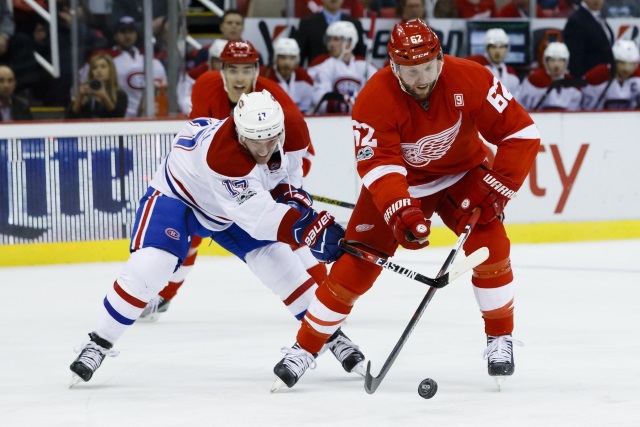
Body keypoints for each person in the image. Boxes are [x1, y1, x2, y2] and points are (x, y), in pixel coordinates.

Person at [272, 19, 540, 391]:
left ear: (441, 60)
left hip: (463, 172)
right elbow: (379, 164)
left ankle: (500, 338)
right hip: (402, 183)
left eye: (428, 68)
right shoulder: (373, 97)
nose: (420, 79)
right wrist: (402, 210)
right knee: (356, 265)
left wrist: (501, 184)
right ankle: (305, 347)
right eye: (410, 71)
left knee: (491, 245)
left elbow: (521, 132)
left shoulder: (471, 78)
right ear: (394, 66)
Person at [69, 90, 365, 386]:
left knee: (283, 267)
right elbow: (261, 218)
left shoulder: (293, 131)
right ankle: (98, 342)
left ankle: (330, 336)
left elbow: (286, 182)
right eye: (254, 140)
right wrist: (310, 229)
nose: (263, 149)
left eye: (270, 138)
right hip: (181, 197)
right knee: (151, 266)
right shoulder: (223, 156)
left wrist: (296, 203)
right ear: (238, 132)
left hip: (230, 207)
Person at [141, 42, 324, 336]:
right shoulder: (206, 86)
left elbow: (296, 149)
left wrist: (274, 187)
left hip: (282, 162)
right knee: (195, 220)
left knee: (286, 225)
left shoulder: (271, 96)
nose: (240, 78)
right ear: (220, 70)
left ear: (257, 71)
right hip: (231, 168)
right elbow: (206, 143)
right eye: (233, 69)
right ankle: (164, 297)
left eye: (247, 69)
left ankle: (324, 294)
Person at [85, 16, 167, 118]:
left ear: (136, 34)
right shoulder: (106, 60)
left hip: (148, 118)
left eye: (131, 31)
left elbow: (162, 89)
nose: (127, 36)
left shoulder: (152, 61)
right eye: (123, 31)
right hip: (120, 117)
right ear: (115, 36)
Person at [307, 21, 377, 114]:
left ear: (349, 42)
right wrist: (347, 105)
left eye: (336, 39)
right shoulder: (323, 65)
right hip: (331, 122)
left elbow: (379, 95)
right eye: (329, 39)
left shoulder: (366, 66)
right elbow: (320, 100)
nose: (331, 44)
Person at [294, 0, 366, 67]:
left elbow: (360, 56)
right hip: (317, 75)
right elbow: (300, 57)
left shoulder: (355, 24)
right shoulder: (307, 24)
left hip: (347, 76)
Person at [516, 42, 582, 111]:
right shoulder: (533, 81)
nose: (556, 65)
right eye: (552, 60)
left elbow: (575, 112)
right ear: (546, 61)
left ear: (566, 62)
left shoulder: (573, 84)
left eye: (560, 60)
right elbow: (522, 106)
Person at [260, 38, 316, 114]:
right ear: (276, 59)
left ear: (297, 60)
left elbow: (309, 109)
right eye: (283, 58)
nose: (287, 62)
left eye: (291, 58)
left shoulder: (304, 78)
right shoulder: (264, 75)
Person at [581, 39, 640, 110]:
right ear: (613, 61)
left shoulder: (637, 78)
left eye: (632, 64)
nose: (627, 69)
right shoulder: (598, 76)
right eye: (622, 63)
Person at [66, 54, 128, 119]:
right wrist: (80, 97)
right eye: (94, 68)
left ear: (111, 70)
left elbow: (118, 118)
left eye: (103, 67)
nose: (98, 71)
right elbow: (70, 117)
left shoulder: (120, 94)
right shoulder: (86, 93)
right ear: (91, 72)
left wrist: (105, 97)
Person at [563, 0, 614, 78]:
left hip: (605, 79)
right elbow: (574, 60)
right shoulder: (576, 21)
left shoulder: (599, 17)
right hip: (589, 83)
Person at [466, 28, 521, 95]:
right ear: (487, 48)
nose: (497, 51)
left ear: (507, 48)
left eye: (501, 47)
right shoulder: (477, 67)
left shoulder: (512, 74)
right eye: (493, 47)